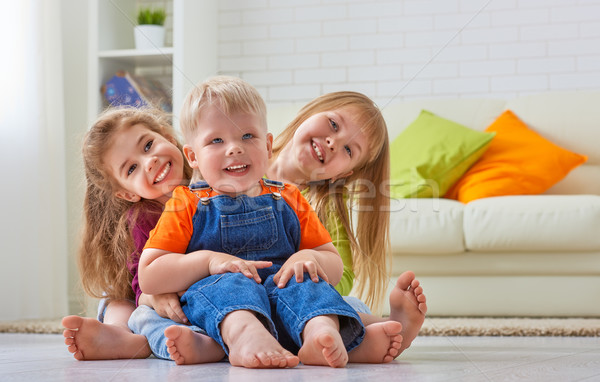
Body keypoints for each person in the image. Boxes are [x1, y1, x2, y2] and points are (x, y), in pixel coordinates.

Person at [137, 76, 403, 368]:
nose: (234, 148)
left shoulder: (289, 197)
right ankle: (245, 336)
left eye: (247, 136)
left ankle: (319, 335)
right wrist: (208, 262)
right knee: (225, 288)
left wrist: (308, 256)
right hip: (224, 298)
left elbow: (335, 265)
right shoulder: (186, 201)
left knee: (310, 289)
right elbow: (150, 274)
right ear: (193, 156)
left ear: (267, 144)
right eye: (216, 140)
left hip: (282, 292)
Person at [266, 91, 427, 354]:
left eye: (349, 149)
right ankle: (369, 332)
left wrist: (311, 268)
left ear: (344, 173)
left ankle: (387, 330)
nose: (333, 142)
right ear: (311, 111)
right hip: (242, 292)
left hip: (295, 299)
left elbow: (345, 274)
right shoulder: (242, 163)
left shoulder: (323, 203)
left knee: (348, 303)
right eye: (333, 124)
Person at [61, 107, 225, 363]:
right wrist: (151, 296)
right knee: (123, 305)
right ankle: (121, 336)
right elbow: (139, 282)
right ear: (127, 193)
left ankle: (194, 339)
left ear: (168, 138)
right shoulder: (143, 217)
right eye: (131, 169)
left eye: (148, 145)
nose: (150, 162)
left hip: (203, 290)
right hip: (150, 296)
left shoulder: (212, 180)